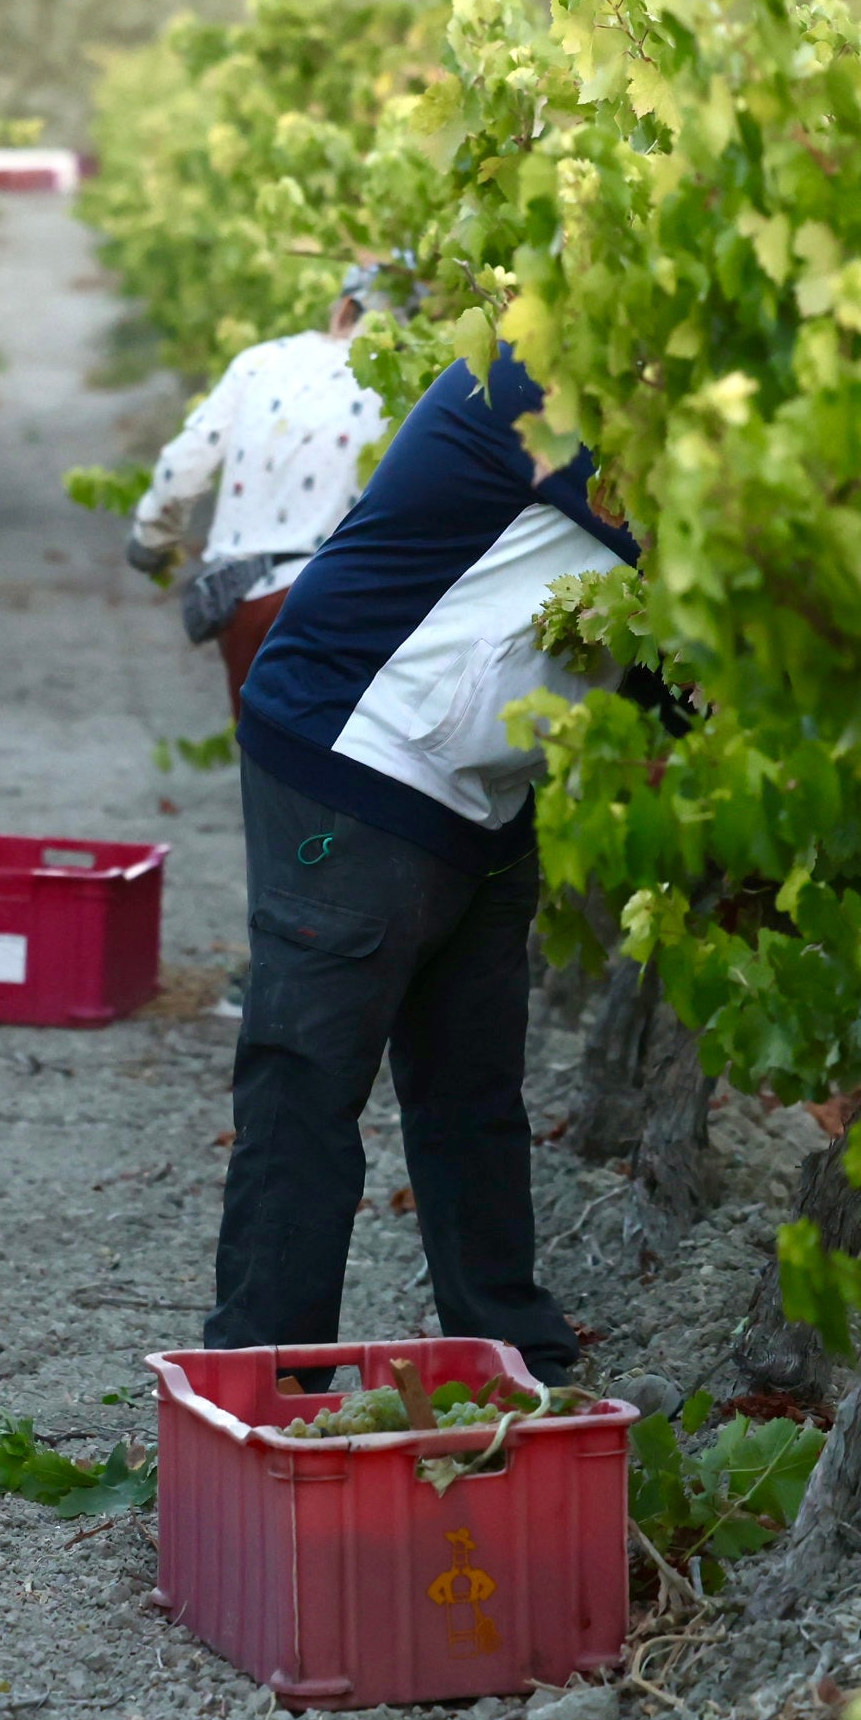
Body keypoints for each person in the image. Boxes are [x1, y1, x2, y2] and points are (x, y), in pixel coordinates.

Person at [205, 344, 641, 1385]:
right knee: (308, 1080)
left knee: (470, 1086)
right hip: (355, 752)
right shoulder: (550, 369)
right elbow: (709, 560)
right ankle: (264, 1385)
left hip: (483, 780)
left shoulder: (656, 371)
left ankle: (515, 1365)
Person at [122, 276, 386, 720]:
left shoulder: (261, 361)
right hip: (352, 601)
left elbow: (185, 463)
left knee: (263, 745)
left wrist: (151, 539)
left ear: (343, 309)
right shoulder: (416, 386)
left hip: (256, 599)